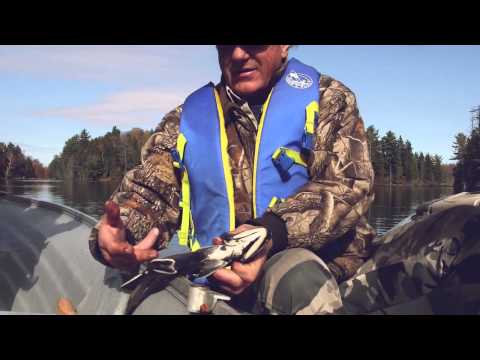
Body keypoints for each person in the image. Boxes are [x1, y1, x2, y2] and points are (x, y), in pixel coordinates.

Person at [89, 45, 377, 315]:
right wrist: (121, 233)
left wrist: (268, 234)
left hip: (319, 264)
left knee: (298, 275)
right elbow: (151, 190)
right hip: (219, 271)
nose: (238, 54)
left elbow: (348, 186)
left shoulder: (329, 99)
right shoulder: (184, 120)